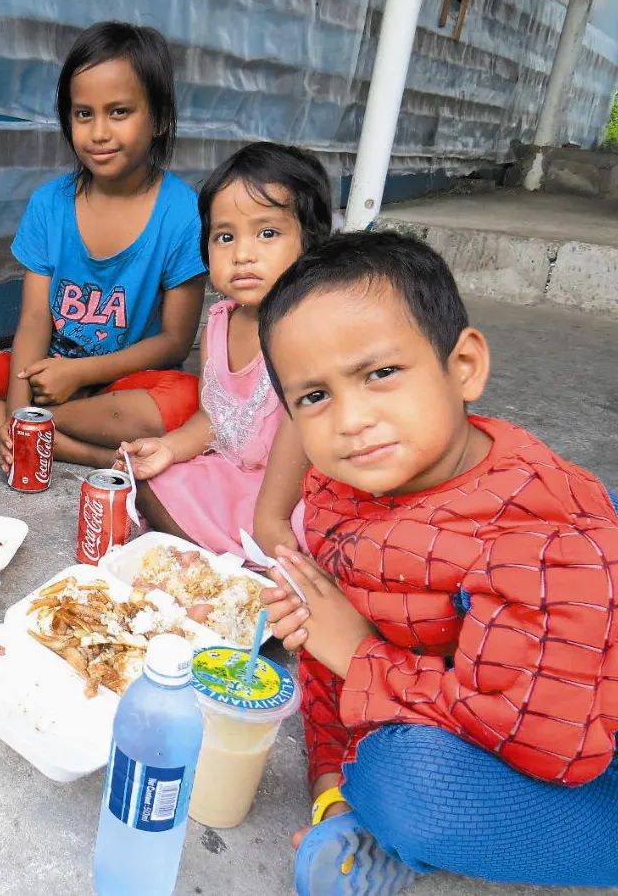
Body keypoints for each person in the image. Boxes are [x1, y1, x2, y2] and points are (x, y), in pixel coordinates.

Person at [256, 231, 618, 894]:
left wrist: (362, 657)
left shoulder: (540, 534)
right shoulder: (343, 487)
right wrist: (332, 792)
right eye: (315, 397)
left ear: (464, 366)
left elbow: (551, 744)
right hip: (484, 683)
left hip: (581, 738)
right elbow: (327, 644)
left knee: (407, 782)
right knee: (367, 759)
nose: (352, 419)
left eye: (380, 374)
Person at [0, 21, 207, 471]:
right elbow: (36, 318)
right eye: (83, 114)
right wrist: (20, 408)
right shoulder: (49, 204)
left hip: (122, 384)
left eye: (119, 112)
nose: (98, 133)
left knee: (189, 399)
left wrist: (77, 375)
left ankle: (40, 432)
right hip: (46, 374)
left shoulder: (183, 213)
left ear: (157, 119)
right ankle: (75, 447)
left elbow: (175, 343)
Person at [118, 143, 330, 559]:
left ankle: (251, 558)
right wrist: (170, 447)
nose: (243, 254)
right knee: (144, 480)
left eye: (268, 233)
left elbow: (308, 438)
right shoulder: (220, 321)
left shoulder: (311, 328)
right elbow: (215, 417)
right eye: (225, 236)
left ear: (311, 243)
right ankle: (237, 556)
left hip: (295, 491)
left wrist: (273, 516)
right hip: (236, 476)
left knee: (317, 535)